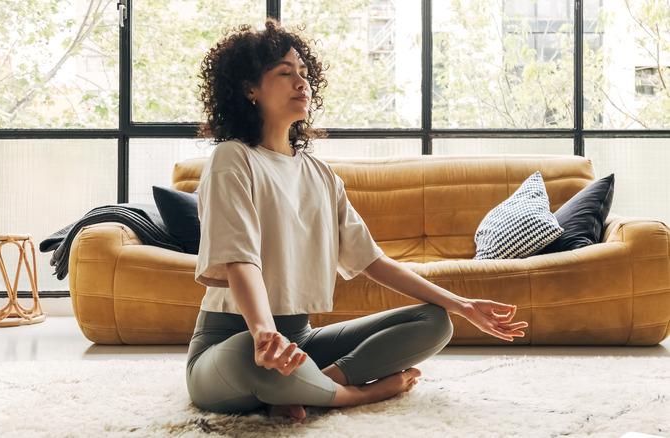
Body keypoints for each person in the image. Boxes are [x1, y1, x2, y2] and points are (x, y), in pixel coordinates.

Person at [186, 19, 528, 422]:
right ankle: (353, 395)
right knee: (251, 357)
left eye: (304, 74)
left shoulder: (321, 175)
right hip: (231, 341)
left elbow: (372, 261)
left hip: (300, 340)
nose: (302, 83)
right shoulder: (233, 158)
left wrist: (462, 304)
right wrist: (263, 333)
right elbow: (240, 259)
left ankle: (316, 382)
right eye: (285, 73)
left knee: (434, 321)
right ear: (249, 89)